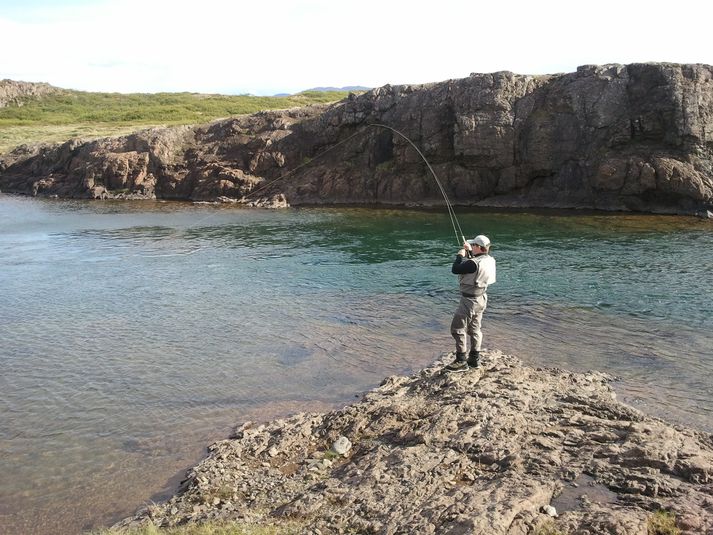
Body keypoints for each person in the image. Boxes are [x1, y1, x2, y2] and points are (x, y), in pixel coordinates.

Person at [445, 234, 497, 372]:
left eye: (473, 245)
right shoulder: (489, 260)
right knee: (475, 329)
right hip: (482, 298)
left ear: (478, 247)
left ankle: (461, 360)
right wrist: (469, 251)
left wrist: (460, 255)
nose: (471, 246)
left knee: (457, 329)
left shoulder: (472, 263)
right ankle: (474, 359)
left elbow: (456, 269)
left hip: (468, 301)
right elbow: (474, 266)